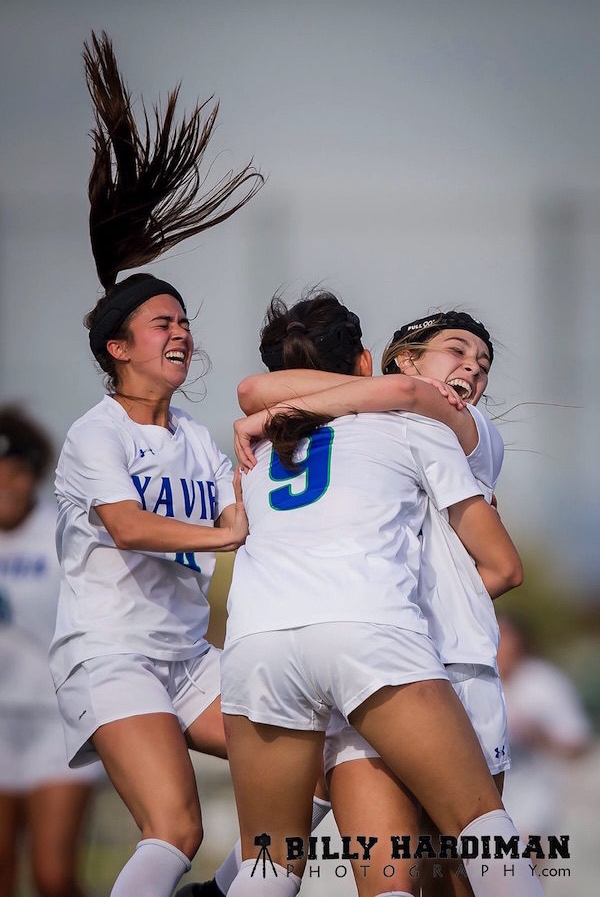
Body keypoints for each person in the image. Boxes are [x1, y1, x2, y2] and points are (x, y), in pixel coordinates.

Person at [219, 292, 543, 897]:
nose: (473, 368)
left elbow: (254, 392)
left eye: (483, 362)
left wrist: (269, 415)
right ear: (390, 361)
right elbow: (502, 566)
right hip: (389, 654)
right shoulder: (410, 429)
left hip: (313, 651)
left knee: (290, 863)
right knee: (454, 854)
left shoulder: (461, 427)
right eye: (457, 351)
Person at [48, 32, 261, 897]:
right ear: (117, 347)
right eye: (161, 324)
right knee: (175, 826)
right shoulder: (93, 433)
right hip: (112, 656)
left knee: (320, 785)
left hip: (189, 657)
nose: (180, 334)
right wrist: (226, 531)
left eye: (183, 321)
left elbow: (248, 518)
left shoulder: (199, 441)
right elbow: (129, 528)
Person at [0, 407, 103, 897]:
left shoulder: (60, 535)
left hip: (55, 721)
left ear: (32, 473)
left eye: (13, 472)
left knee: (52, 876)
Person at [497, 614, 591, 837]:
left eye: (504, 638)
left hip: (536, 803)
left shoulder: (542, 682)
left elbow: (578, 745)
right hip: (482, 802)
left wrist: (538, 735)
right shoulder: (471, 682)